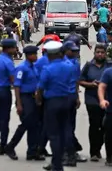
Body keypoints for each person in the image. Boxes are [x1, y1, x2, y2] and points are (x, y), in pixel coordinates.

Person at [37, 41, 74, 171]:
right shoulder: (69, 66)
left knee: (53, 135)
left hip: (52, 102)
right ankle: (59, 161)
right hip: (65, 100)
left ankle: (57, 165)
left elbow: (41, 88)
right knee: (63, 131)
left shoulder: (47, 69)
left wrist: (39, 101)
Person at [5, 46, 45, 161]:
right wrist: (19, 103)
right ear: (28, 55)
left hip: (34, 98)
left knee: (35, 126)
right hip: (25, 98)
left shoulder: (34, 68)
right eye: (34, 54)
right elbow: (17, 86)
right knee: (27, 123)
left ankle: (32, 152)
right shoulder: (22, 68)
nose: (36, 56)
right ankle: (10, 146)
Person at [79, 44, 112, 161]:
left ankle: (98, 148)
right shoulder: (89, 65)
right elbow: (80, 80)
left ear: (105, 53)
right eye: (98, 52)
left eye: (102, 52)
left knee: (106, 126)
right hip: (92, 100)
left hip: (107, 100)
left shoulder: (110, 65)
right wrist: (91, 84)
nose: (100, 54)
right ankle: (93, 152)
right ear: (94, 53)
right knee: (94, 125)